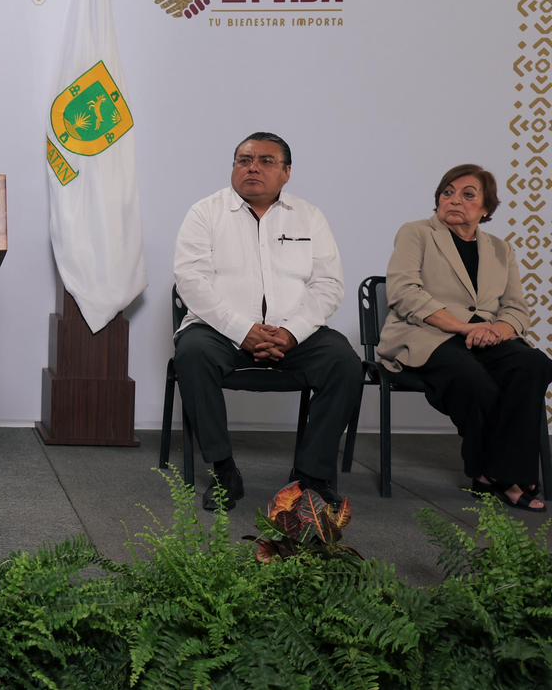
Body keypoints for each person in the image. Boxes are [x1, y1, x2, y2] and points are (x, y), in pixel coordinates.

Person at [173, 132, 362, 510]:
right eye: (244, 161)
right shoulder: (205, 213)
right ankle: (224, 471)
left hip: (292, 335)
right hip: (220, 332)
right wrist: (242, 331)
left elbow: (328, 285)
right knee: (192, 353)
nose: (253, 168)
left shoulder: (309, 217)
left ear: (287, 172)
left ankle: (310, 476)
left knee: (344, 362)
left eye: (266, 161)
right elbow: (191, 281)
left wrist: (292, 332)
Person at [377, 164, 551, 513]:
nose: (454, 200)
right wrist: (463, 328)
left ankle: (492, 473)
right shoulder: (416, 233)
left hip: (485, 337)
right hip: (425, 334)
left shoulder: (500, 249)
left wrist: (497, 331)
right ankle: (507, 477)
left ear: (486, 208)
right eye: (447, 192)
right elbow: (404, 293)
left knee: (533, 364)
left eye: (468, 195)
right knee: (474, 379)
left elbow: (516, 307)